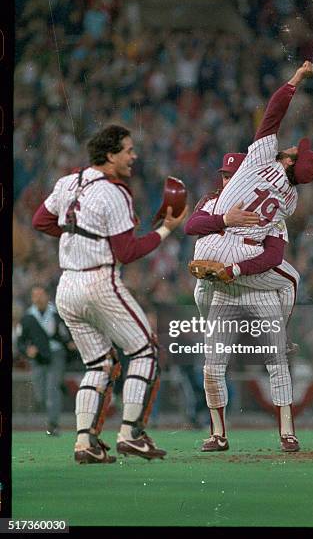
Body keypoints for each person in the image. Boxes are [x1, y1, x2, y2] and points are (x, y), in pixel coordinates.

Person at [32, 123, 187, 464]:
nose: (134, 156)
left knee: (99, 364)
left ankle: (85, 442)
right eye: (128, 150)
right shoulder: (115, 192)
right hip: (100, 282)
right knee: (145, 351)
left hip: (67, 285)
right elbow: (127, 252)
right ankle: (131, 433)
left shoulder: (67, 182)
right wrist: (166, 229)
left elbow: (41, 221)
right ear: (110, 154)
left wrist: (78, 237)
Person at [190, 61, 313, 452]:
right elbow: (274, 252)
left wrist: (295, 79)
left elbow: (272, 114)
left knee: (219, 356)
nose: (295, 145)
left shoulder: (262, 158)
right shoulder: (290, 201)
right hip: (244, 261)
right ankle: (271, 430)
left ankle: (230, 433)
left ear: (287, 161)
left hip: (221, 253)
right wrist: (236, 267)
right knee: (288, 291)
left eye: (297, 150)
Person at [184, 152, 300, 352]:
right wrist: (225, 220)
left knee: (289, 281)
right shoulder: (213, 199)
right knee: (202, 289)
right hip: (220, 265)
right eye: (225, 176)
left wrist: (238, 269)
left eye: (233, 176)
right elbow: (190, 227)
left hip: (245, 266)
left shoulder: (267, 207)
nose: (228, 181)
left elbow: (273, 256)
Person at [17, 285, 75, 436]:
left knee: (52, 388)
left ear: (47, 296)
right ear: (32, 298)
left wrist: (69, 343)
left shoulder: (56, 314)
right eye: (35, 295)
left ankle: (53, 423)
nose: (38, 298)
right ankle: (57, 395)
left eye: (41, 295)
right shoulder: (28, 317)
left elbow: (66, 332)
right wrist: (27, 350)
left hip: (56, 353)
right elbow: (20, 341)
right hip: (38, 357)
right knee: (40, 392)